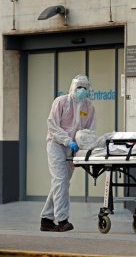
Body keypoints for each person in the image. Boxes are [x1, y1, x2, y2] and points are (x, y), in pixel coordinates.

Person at [40, 75, 96, 232]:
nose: (82, 90)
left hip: (73, 148)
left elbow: (89, 131)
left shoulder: (89, 107)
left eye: (85, 88)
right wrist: (66, 140)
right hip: (56, 144)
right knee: (60, 180)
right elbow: (52, 125)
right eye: (79, 87)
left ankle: (46, 219)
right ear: (73, 87)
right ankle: (62, 220)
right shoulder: (61, 101)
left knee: (62, 183)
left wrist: (80, 149)